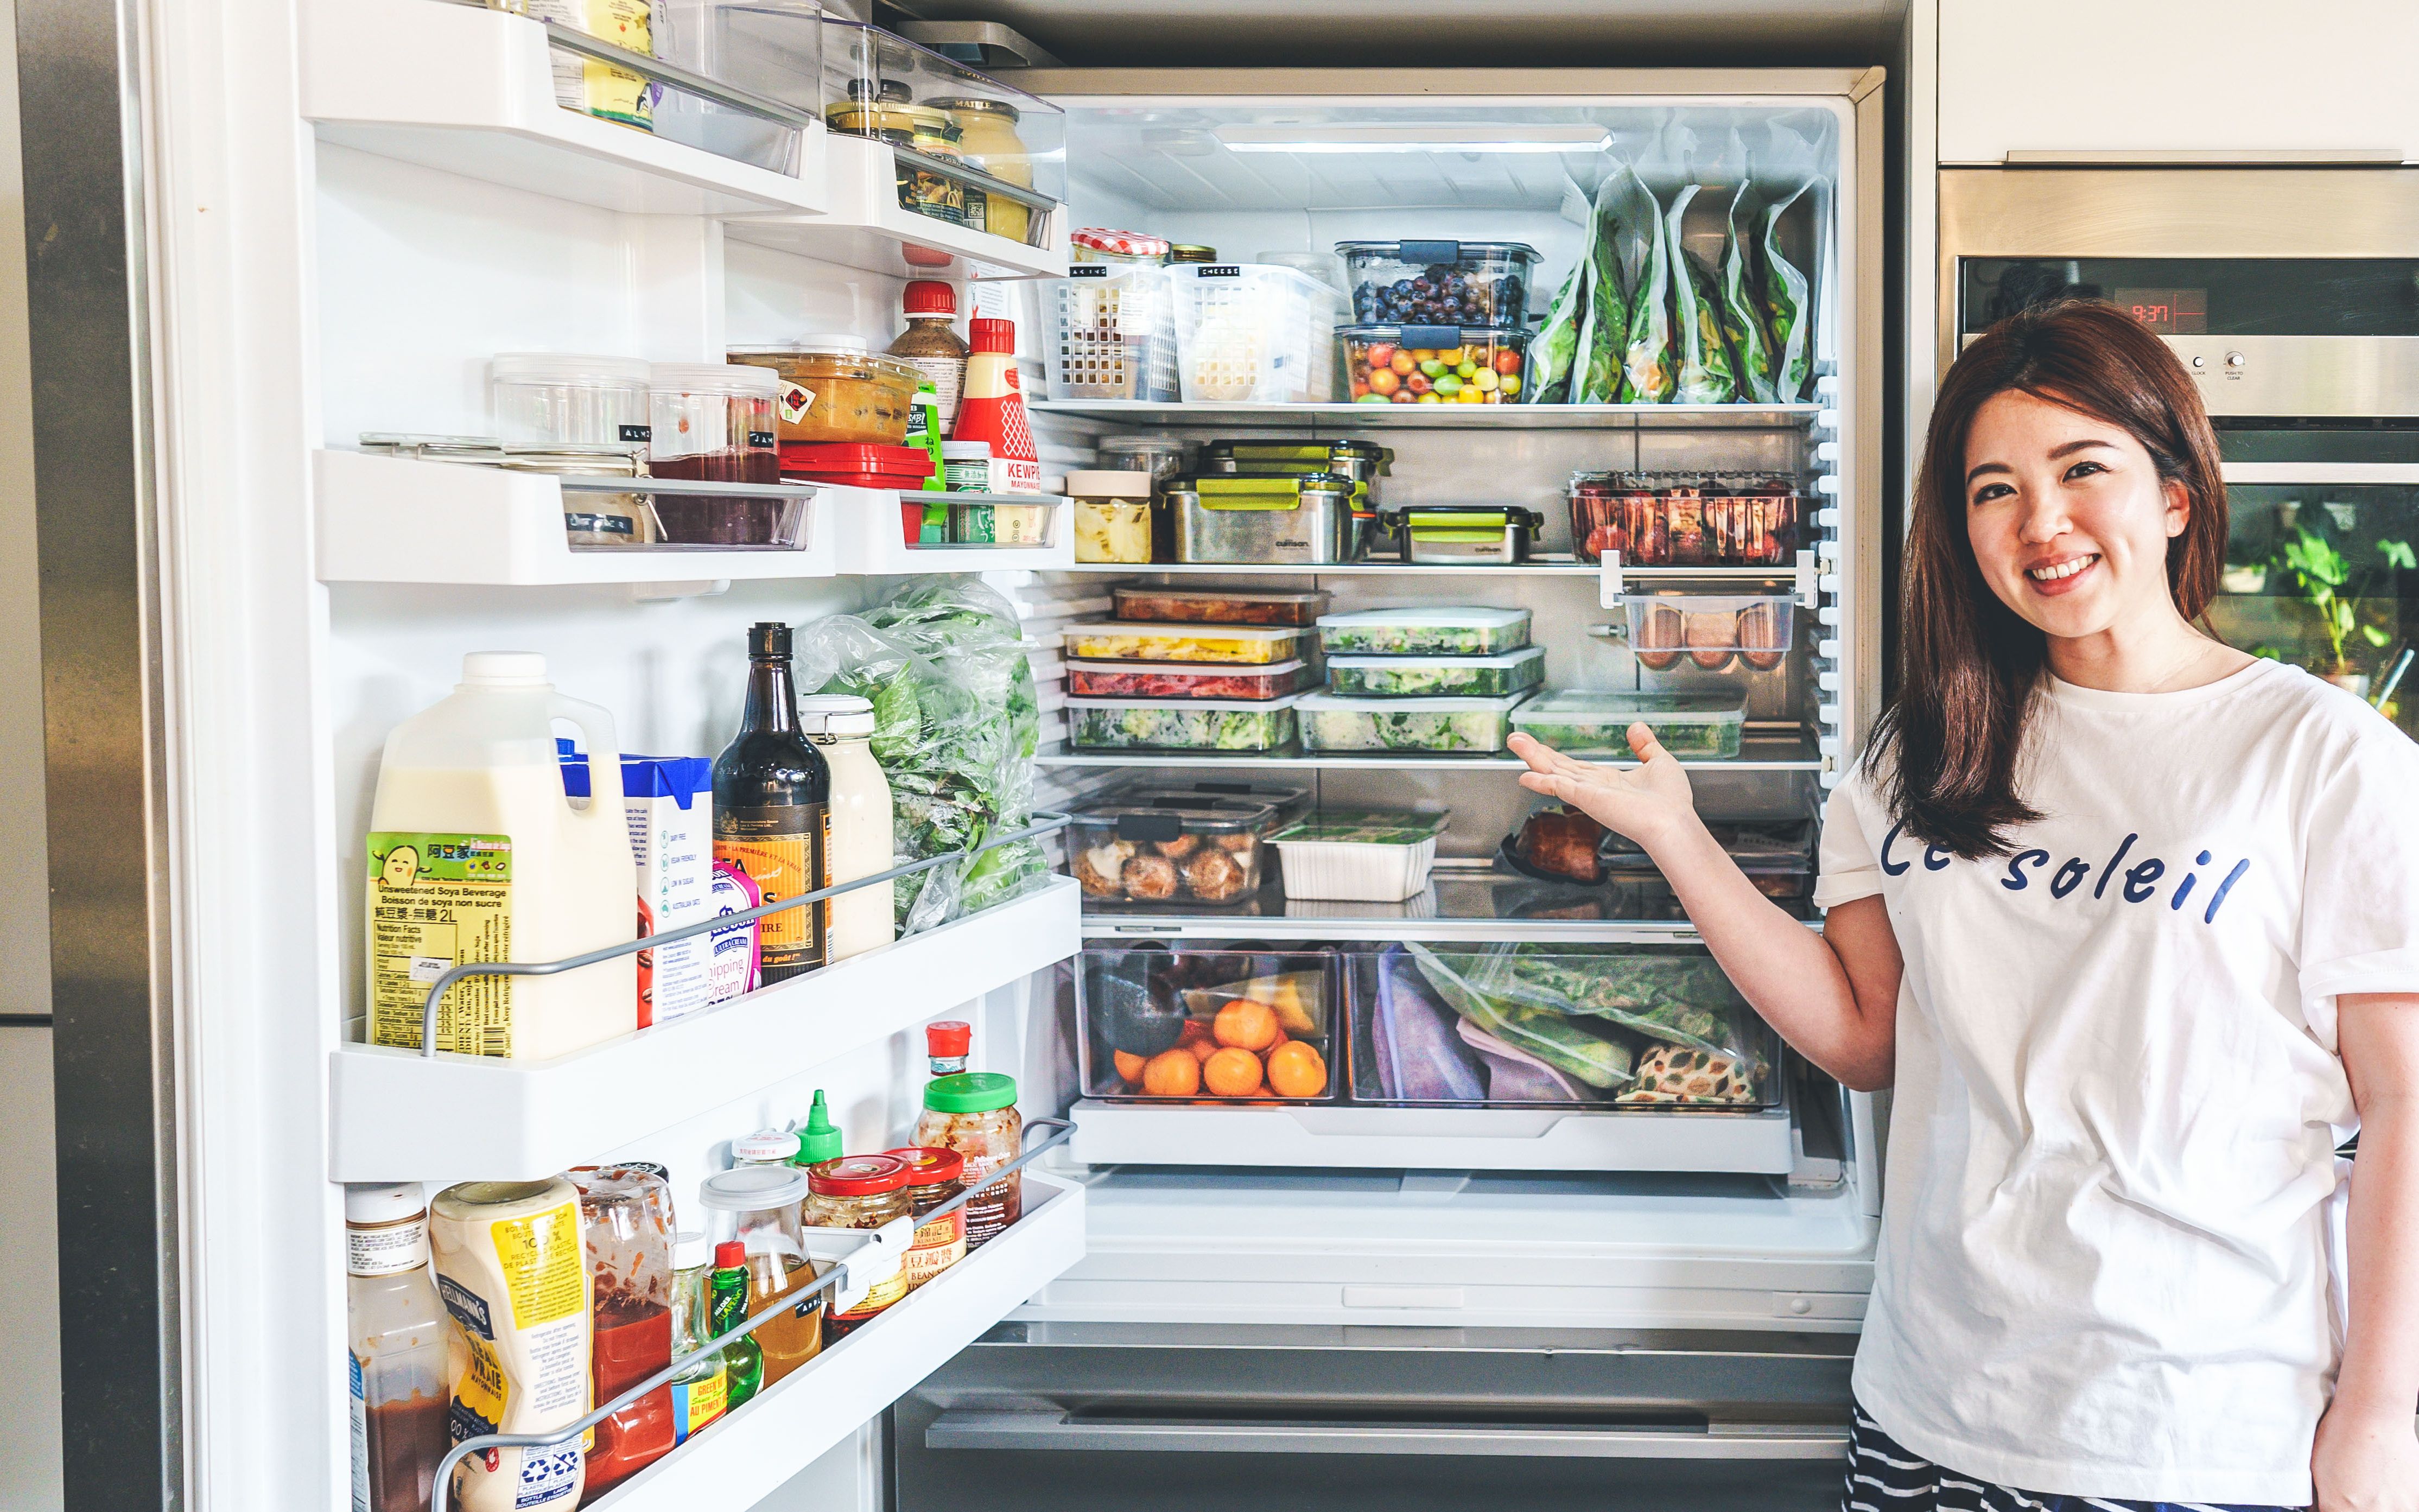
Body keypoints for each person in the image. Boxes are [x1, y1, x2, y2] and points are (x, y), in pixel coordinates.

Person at [1509, 300, 2419, 1512]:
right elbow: (1863, 1035)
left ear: (2174, 494)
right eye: (1996, 489)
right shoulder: (1922, 753)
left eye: (2082, 469)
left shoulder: (2323, 756)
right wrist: (1678, 836)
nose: (2041, 522)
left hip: (2191, 1426)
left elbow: (2404, 1102)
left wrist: (2376, 1416)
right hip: (1931, 1400)